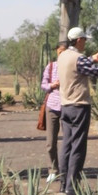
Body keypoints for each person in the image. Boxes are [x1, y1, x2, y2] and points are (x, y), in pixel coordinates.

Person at [56, 26, 98, 195]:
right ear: (78, 40)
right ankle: (72, 186)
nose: (85, 42)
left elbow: (78, 67)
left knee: (66, 145)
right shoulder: (78, 59)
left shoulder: (63, 56)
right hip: (79, 106)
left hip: (65, 106)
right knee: (78, 147)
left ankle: (63, 183)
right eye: (84, 39)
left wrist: (91, 58)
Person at [40, 41, 65, 183]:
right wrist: (51, 85)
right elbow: (43, 85)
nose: (61, 54)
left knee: (68, 141)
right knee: (51, 142)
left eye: (63, 51)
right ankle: (53, 170)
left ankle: (66, 169)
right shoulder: (50, 67)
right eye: (59, 51)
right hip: (52, 106)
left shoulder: (71, 65)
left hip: (68, 105)